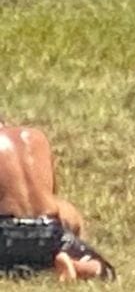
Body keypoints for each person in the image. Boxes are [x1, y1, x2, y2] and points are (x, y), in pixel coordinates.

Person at [0, 120, 114, 282]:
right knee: (105, 269)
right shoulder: (36, 137)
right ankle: (77, 265)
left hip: (5, 234)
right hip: (50, 231)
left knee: (13, 265)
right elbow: (52, 194)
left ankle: (33, 267)